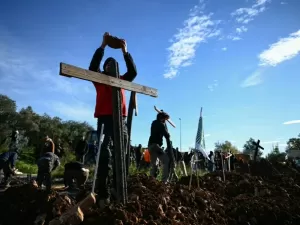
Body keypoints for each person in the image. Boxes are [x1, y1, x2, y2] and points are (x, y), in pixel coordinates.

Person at [89, 32, 137, 208]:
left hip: (121, 122)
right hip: (105, 121)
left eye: (115, 63)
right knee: (104, 156)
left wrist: (125, 51)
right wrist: (102, 46)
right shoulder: (100, 80)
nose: (112, 66)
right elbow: (92, 67)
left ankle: (119, 190)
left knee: (122, 155)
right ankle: (104, 193)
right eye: (109, 64)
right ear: (105, 68)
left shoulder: (123, 80)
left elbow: (133, 71)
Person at [148, 111, 171, 183]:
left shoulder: (154, 123)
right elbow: (166, 135)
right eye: (164, 119)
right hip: (156, 146)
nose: (165, 121)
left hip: (150, 146)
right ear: (161, 118)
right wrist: (168, 133)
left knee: (154, 164)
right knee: (166, 160)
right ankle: (164, 181)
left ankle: (152, 180)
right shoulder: (160, 124)